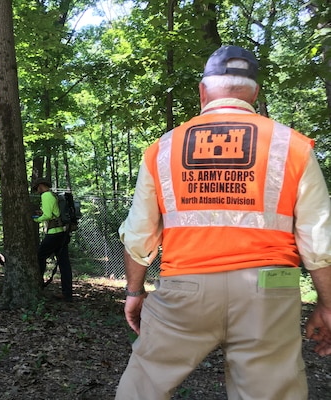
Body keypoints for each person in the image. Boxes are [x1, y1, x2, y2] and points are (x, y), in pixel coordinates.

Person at [116, 45, 331, 400]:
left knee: (142, 388)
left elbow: (140, 235)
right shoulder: (291, 146)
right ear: (255, 93)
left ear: (203, 91)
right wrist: (327, 303)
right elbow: (319, 242)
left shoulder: (163, 149)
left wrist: (134, 292)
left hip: (184, 290)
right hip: (269, 292)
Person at [31, 177, 73, 302]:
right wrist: (42, 214)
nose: (37, 191)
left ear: (40, 186)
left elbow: (48, 215)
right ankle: (67, 294)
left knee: (40, 255)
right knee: (64, 264)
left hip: (54, 233)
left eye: (37, 188)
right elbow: (52, 213)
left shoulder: (46, 196)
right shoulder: (54, 195)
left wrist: (35, 219)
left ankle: (38, 284)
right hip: (62, 233)